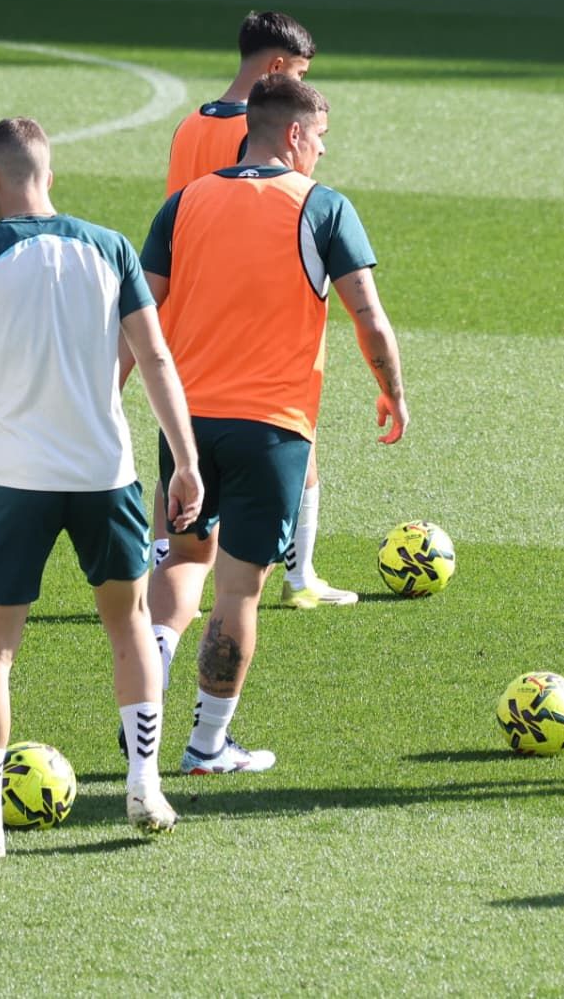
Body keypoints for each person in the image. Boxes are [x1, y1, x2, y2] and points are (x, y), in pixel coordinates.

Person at [0, 117, 203, 858]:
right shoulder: (110, 246)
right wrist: (185, 460)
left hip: (15, 480)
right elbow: (155, 360)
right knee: (130, 625)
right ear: (47, 172)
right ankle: (144, 787)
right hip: (106, 472)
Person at [141, 74, 409, 774]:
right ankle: (206, 748)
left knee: (182, 559)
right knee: (238, 591)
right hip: (273, 428)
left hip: (186, 425)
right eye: (320, 137)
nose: (322, 151)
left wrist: (112, 397)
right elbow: (369, 318)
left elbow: (140, 317)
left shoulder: (184, 203)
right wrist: (392, 391)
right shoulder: (323, 208)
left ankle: (146, 699)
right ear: (293, 134)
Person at [137, 10, 351, 612]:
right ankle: (299, 574)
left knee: (181, 456)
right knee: (294, 438)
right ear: (277, 69)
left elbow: (175, 219)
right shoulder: (251, 139)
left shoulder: (187, 126)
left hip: (183, 314)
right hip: (239, 313)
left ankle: (166, 574)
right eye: (300, 73)